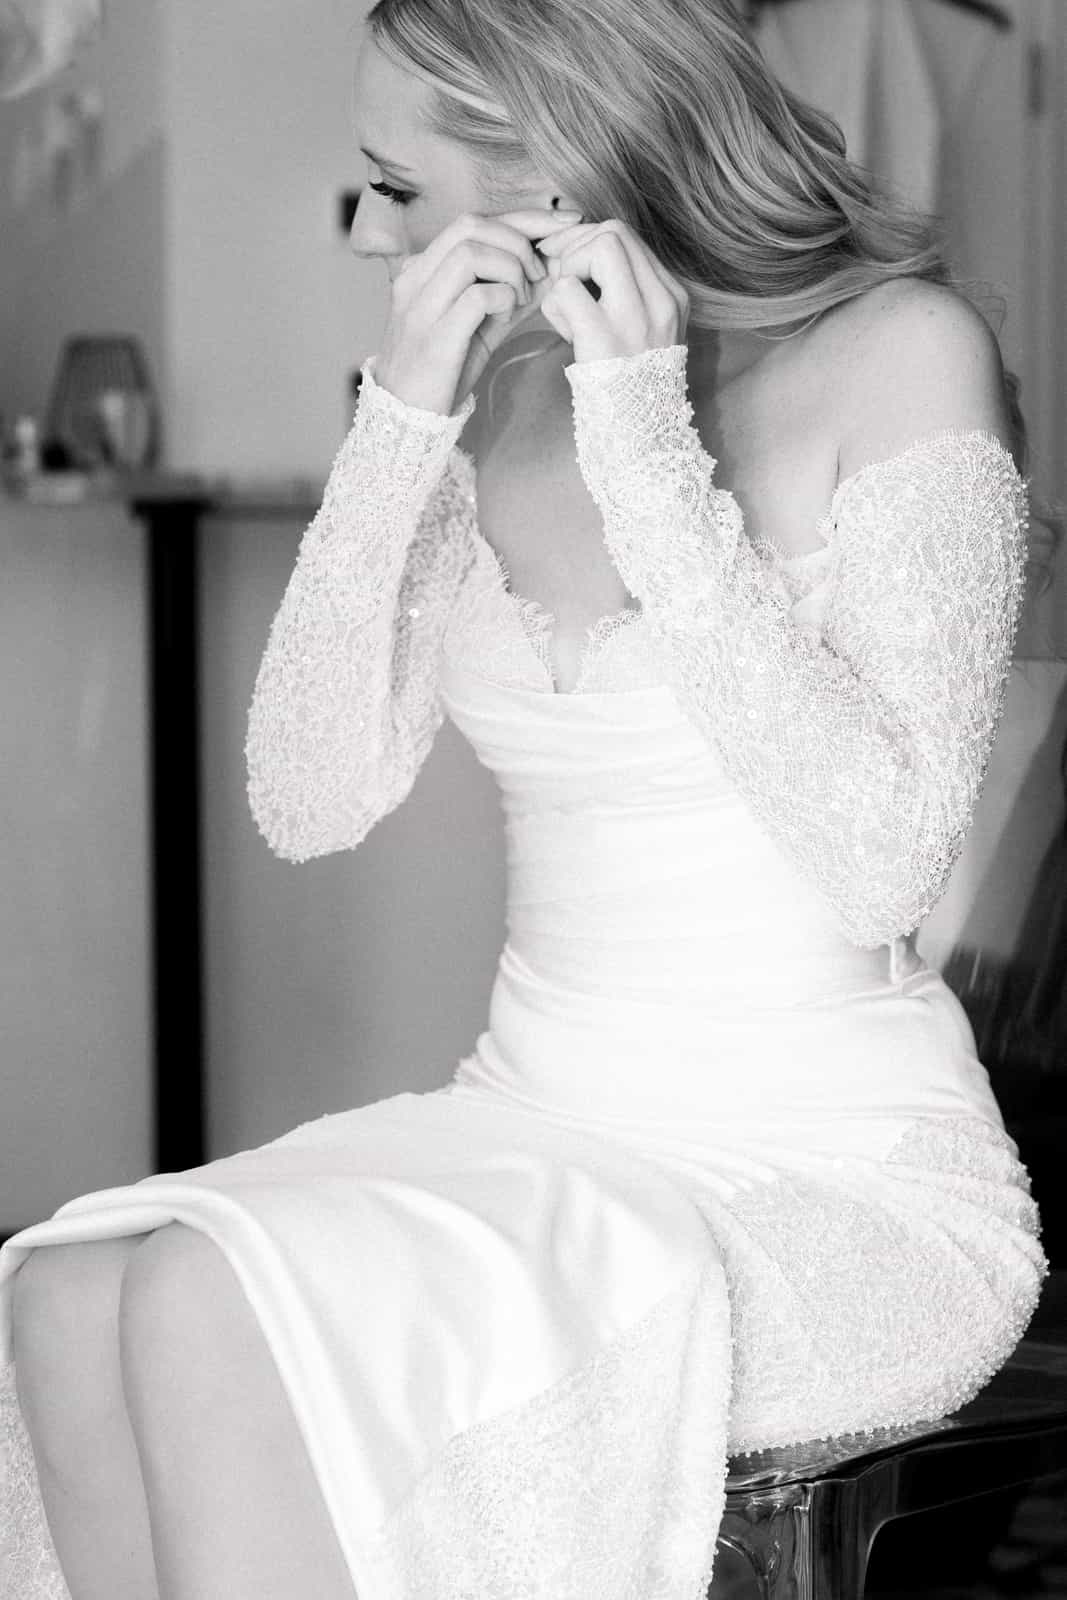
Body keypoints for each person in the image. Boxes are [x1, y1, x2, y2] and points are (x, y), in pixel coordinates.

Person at [0, 1, 1050, 1596]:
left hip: (826, 1168)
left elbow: (882, 863)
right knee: (69, 1294)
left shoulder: (903, 356)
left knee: (209, 1314)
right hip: (534, 1114)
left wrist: (644, 433)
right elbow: (308, 793)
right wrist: (398, 421)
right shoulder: (490, 399)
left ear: (560, 171)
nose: (368, 233)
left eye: (392, 188)